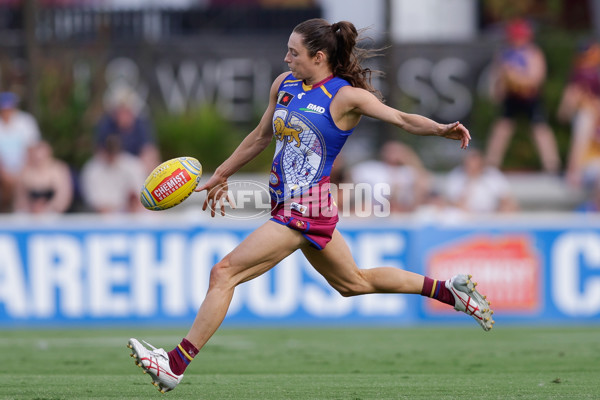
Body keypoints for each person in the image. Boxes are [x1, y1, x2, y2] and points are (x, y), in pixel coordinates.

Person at [127, 19, 494, 394]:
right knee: (353, 283)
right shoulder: (283, 85)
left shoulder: (345, 96)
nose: (286, 58)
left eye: (294, 53)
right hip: (289, 205)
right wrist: (222, 173)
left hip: (307, 206)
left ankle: (174, 363)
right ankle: (450, 291)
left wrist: (441, 129)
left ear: (319, 57)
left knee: (224, 273)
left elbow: (399, 118)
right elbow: (259, 137)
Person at [485, 18, 560, 174]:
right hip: (511, 97)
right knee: (502, 128)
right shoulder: (505, 53)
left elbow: (536, 78)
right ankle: (491, 165)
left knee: (539, 129)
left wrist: (516, 78)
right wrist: (498, 89)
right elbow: (497, 75)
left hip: (529, 97)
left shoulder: (532, 52)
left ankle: (552, 165)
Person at [557, 40, 600, 189]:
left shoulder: (592, 73)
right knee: (581, 134)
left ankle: (573, 171)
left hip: (593, 114)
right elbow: (572, 94)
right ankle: (573, 171)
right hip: (587, 113)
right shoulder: (581, 73)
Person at [350, 140, 431, 214]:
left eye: (398, 151)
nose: (393, 154)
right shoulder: (371, 168)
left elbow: (424, 184)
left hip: (401, 211)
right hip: (371, 211)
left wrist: (410, 159)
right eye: (391, 151)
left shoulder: (408, 171)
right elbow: (349, 180)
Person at [95, 85, 160, 174]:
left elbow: (149, 151)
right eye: (121, 110)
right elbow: (101, 151)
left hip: (136, 167)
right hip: (111, 167)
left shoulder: (141, 124)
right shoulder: (106, 124)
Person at [79, 134, 146, 214]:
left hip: (133, 216)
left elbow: (140, 199)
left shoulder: (133, 165)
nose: (112, 156)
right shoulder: (91, 170)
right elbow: (96, 204)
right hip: (102, 218)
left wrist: (133, 203)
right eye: (109, 151)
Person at [0, 91, 41, 212]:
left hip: (25, 168)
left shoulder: (26, 121)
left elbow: (32, 149)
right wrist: (4, 173)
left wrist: (22, 170)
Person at [444, 148, 519, 214]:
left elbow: (507, 199)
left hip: (491, 216)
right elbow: (454, 203)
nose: (473, 167)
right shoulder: (456, 176)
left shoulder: (492, 175)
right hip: (465, 217)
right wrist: (470, 182)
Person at [13, 140, 73, 214]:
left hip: (54, 213)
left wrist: (47, 209)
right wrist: (31, 209)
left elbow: (63, 198)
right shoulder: (24, 172)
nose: (39, 159)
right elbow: (20, 199)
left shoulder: (59, 170)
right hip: (29, 213)